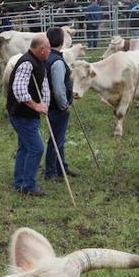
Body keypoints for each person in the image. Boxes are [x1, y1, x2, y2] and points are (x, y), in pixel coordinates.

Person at [5, 34, 51, 196]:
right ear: (41, 49)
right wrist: (36, 105)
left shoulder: (38, 62)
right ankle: (28, 186)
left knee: (24, 147)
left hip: (27, 115)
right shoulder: (27, 63)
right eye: (48, 49)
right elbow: (19, 90)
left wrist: (45, 104)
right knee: (36, 148)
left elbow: (43, 84)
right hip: (22, 114)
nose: (50, 52)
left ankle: (20, 182)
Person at [43, 27, 75, 181]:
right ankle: (51, 172)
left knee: (58, 138)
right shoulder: (57, 62)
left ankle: (61, 167)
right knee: (56, 140)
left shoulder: (47, 58)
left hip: (50, 105)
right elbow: (58, 88)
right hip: (57, 107)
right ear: (62, 41)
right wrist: (64, 104)